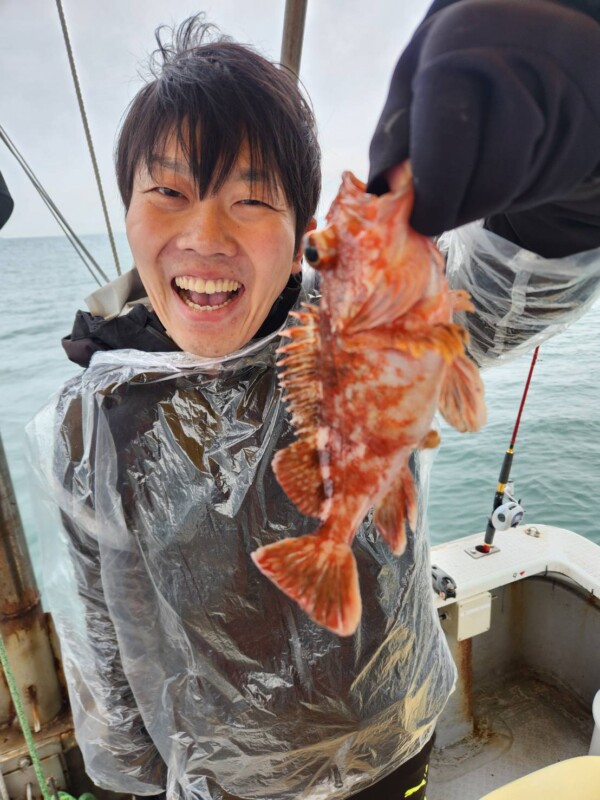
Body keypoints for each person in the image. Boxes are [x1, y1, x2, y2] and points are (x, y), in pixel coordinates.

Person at [27, 3, 600, 800]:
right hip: (222, 783)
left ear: (301, 233)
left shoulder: (353, 319)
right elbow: (108, 623)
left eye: (251, 199)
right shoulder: (95, 416)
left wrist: (577, 186)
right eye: (167, 192)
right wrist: (130, 782)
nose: (205, 234)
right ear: (124, 209)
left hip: (394, 738)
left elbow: (518, 288)